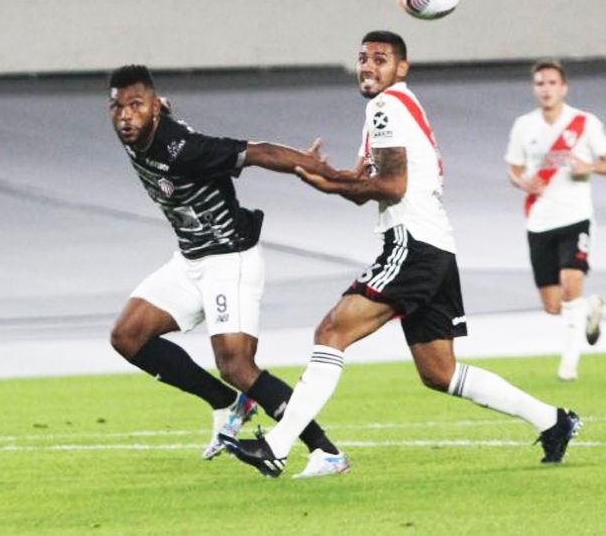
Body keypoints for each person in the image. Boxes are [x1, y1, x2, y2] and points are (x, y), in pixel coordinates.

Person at [219, 32, 580, 478]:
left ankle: (278, 445)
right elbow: (363, 186)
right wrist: (326, 176)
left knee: (331, 331)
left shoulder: (386, 107)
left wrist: (331, 182)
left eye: (380, 59)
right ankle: (553, 421)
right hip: (436, 247)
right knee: (439, 371)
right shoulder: (398, 109)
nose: (368, 66)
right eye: (362, 58)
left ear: (401, 68)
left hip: (412, 245)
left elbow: (391, 186)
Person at [106, 64, 350, 478]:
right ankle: (226, 403)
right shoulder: (138, 127)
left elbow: (259, 152)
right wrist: (157, 105)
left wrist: (317, 167)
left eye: (136, 105)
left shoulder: (183, 148)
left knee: (237, 365)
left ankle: (325, 451)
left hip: (229, 260)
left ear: (152, 109)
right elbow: (154, 107)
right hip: (189, 261)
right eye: (117, 107)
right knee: (127, 336)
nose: (126, 116)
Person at [505, 60, 606, 381]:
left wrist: (592, 167)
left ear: (563, 88)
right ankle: (590, 308)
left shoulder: (584, 123)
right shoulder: (524, 126)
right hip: (539, 221)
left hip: (575, 217)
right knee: (554, 305)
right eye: (540, 83)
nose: (546, 89)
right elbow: (513, 167)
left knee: (571, 287)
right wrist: (521, 181)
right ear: (534, 89)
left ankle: (568, 365)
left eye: (552, 83)